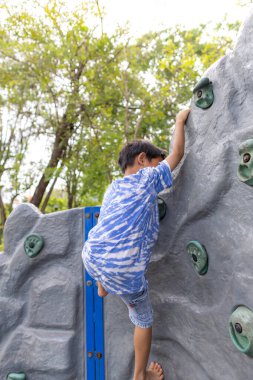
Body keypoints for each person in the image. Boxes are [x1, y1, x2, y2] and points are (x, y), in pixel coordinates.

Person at [82, 108, 190, 380]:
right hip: (125, 273)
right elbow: (176, 155)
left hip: (91, 257)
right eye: (156, 162)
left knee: (107, 251)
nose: (160, 168)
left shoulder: (113, 189)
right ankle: (141, 375)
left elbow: (106, 222)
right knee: (143, 318)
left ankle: (102, 285)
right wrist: (179, 121)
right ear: (142, 160)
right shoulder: (147, 179)